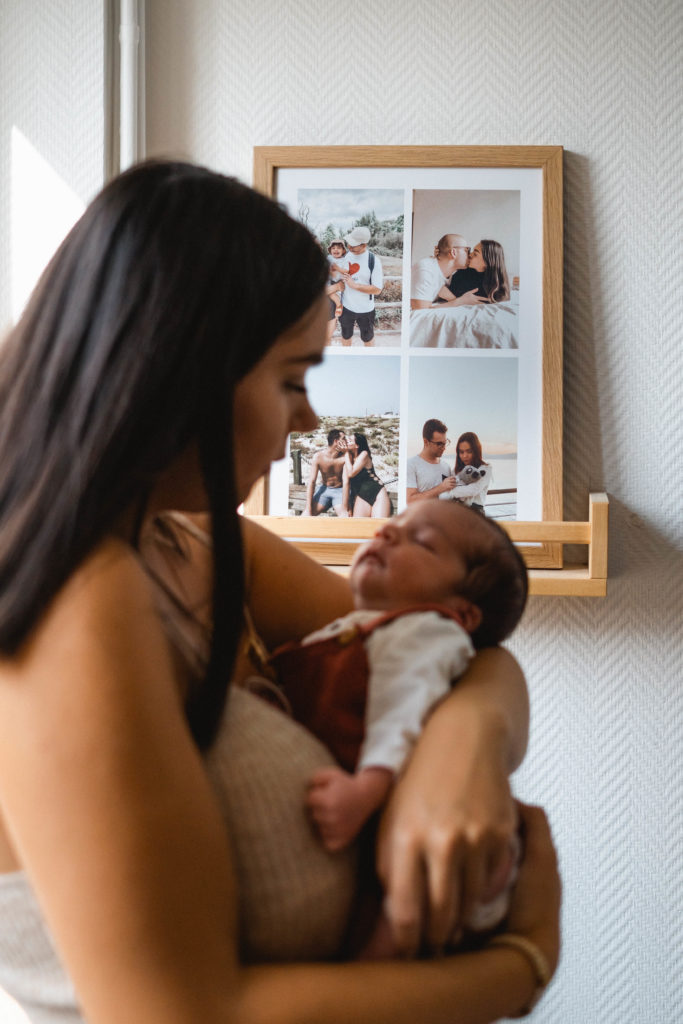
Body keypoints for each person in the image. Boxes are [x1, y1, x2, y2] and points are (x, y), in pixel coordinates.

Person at [0, 160, 560, 1024]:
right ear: (179, 370)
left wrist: (460, 754)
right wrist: (523, 961)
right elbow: (190, 1014)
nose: (307, 422)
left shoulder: (193, 547)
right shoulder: (81, 609)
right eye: (294, 379)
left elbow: (457, 646)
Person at [273, 501, 527, 878]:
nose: (385, 532)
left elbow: (402, 713)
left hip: (374, 810)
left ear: (461, 612)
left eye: (422, 541)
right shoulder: (361, 627)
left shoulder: (425, 632)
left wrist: (366, 791)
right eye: (391, 524)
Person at [410, 233, 488, 310]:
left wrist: (454, 299)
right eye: (466, 250)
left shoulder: (454, 272)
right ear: (453, 253)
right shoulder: (425, 270)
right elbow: (420, 312)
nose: (469, 254)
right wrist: (459, 302)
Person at [338, 226, 383, 346]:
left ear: (364, 245)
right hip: (346, 307)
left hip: (366, 310)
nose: (349, 247)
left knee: (367, 338)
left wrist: (355, 285)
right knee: (345, 335)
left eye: (353, 245)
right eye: (349, 243)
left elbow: (377, 289)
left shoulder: (373, 261)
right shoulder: (346, 256)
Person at [439, 239, 510, 305]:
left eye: (475, 254)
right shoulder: (464, 271)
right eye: (472, 251)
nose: (470, 255)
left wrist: (454, 299)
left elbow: (443, 292)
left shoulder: (495, 290)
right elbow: (440, 287)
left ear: (487, 262)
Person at [406, 418, 459, 503]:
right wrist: (440, 488)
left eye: (445, 443)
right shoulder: (411, 465)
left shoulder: (446, 467)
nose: (444, 448)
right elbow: (410, 501)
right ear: (426, 442)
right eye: (439, 444)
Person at [341, 432, 393, 518]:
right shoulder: (348, 459)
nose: (347, 442)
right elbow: (347, 483)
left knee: (378, 526)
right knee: (360, 526)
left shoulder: (364, 454)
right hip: (362, 495)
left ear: (357, 445)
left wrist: (346, 453)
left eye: (350, 441)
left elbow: (351, 473)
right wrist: (348, 507)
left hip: (377, 491)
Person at [439, 431, 492, 513]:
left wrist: (450, 492)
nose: (464, 456)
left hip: (476, 514)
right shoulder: (456, 470)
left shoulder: (485, 469)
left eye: (469, 451)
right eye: (461, 452)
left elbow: (473, 490)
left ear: (476, 451)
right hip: (458, 513)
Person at [304, 428, 349, 516]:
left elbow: (347, 482)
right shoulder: (318, 456)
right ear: (336, 441)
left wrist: (345, 508)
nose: (346, 441)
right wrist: (307, 508)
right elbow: (311, 482)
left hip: (340, 491)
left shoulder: (345, 457)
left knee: (345, 518)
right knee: (305, 517)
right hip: (324, 489)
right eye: (344, 439)